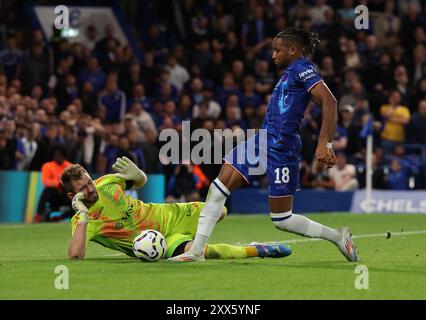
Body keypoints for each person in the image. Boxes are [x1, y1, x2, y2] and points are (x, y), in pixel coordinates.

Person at [169, 28, 358, 262]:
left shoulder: (303, 68)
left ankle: (337, 236)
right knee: (217, 188)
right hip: (262, 140)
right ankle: (196, 251)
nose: (273, 55)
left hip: (284, 149)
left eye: (277, 50)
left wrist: (325, 143)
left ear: (293, 49)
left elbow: (330, 101)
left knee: (282, 219)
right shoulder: (290, 72)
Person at [64, 156, 292, 260]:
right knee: (201, 252)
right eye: (83, 188)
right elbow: (75, 255)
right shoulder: (85, 221)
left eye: (89, 182)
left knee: (220, 211)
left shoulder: (107, 182)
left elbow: (139, 181)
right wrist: (83, 216)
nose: (91, 189)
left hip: (171, 214)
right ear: (73, 195)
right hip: (160, 242)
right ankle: (255, 250)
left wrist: (140, 175)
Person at [34, 145, 72, 222]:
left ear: (64, 156)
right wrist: (59, 184)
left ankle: (61, 217)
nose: (58, 157)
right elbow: (46, 182)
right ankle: (38, 215)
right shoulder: (47, 166)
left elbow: (73, 182)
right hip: (53, 195)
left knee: (76, 196)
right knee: (47, 190)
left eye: (60, 155)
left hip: (66, 194)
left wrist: (61, 185)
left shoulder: (70, 166)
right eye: (56, 155)